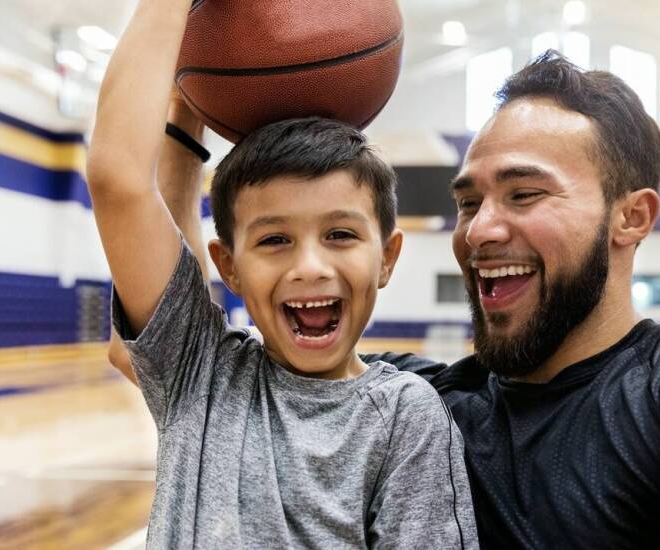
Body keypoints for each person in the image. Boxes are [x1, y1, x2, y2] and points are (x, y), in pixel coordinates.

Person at [109, 47, 660, 549]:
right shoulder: (414, 401)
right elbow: (175, 329)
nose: (481, 228)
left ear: (631, 217)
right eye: (468, 201)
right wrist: (189, 125)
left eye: (524, 194)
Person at [87, 0, 477, 547]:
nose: (309, 267)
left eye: (340, 235)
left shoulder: (405, 416)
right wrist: (186, 105)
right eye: (274, 240)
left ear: (387, 257)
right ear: (229, 266)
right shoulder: (202, 374)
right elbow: (119, 178)